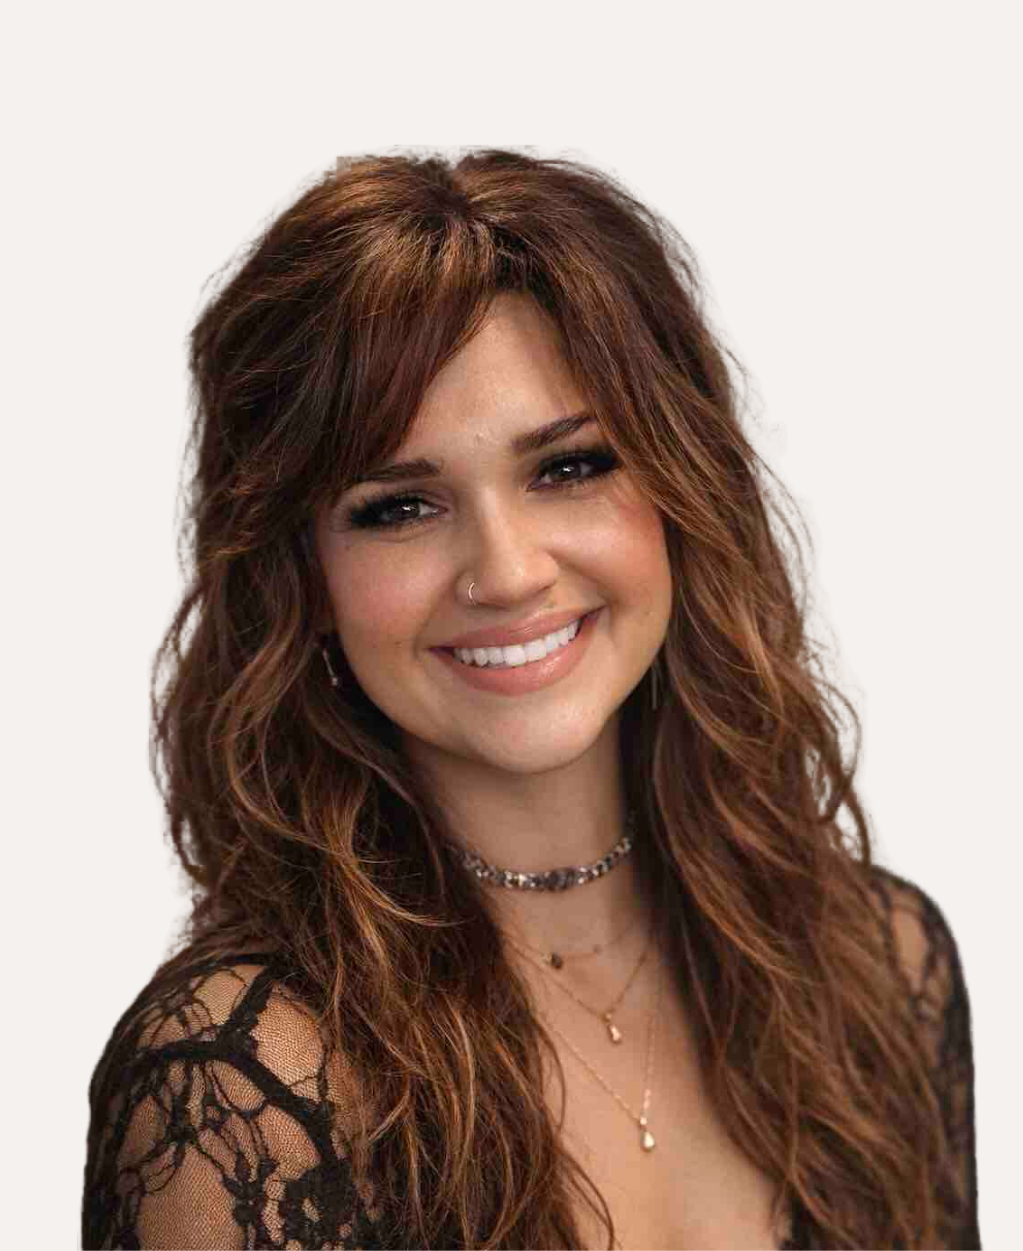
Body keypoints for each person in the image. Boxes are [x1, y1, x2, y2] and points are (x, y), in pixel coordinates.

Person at [81, 148, 980, 1250]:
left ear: (685, 489)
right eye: (399, 507)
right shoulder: (240, 1090)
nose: (505, 572)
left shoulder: (881, 969)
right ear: (298, 577)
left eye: (567, 468)